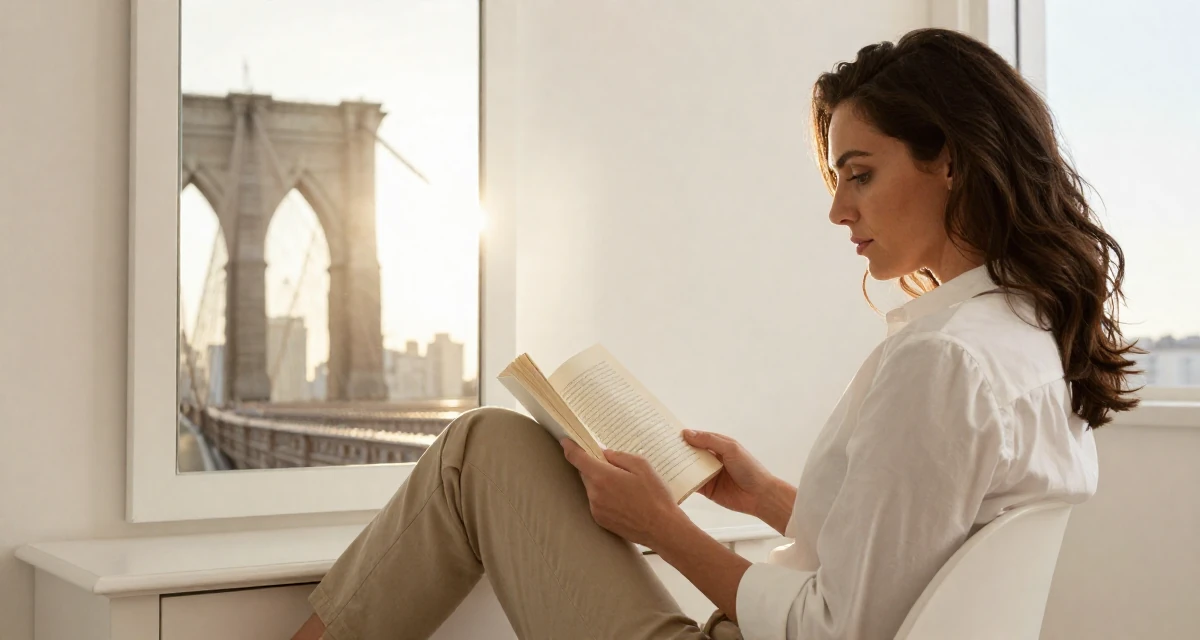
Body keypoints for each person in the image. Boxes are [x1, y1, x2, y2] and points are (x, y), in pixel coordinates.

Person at [292, 27, 1140, 640]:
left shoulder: (941, 360)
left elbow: (834, 630)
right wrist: (768, 495)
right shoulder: (1028, 335)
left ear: (950, 160)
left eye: (861, 175)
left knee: (483, 447)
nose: (839, 210)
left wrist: (663, 524)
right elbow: (913, 560)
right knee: (497, 450)